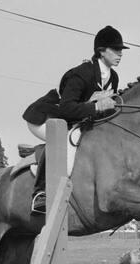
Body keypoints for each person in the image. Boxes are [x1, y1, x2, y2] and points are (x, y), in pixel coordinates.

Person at [22, 25, 128, 214]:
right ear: (101, 51)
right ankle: (40, 194)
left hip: (72, 120)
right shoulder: (82, 73)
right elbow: (66, 108)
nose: (120, 54)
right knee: (60, 139)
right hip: (46, 117)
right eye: (115, 49)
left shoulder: (113, 77)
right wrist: (95, 107)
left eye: (121, 50)